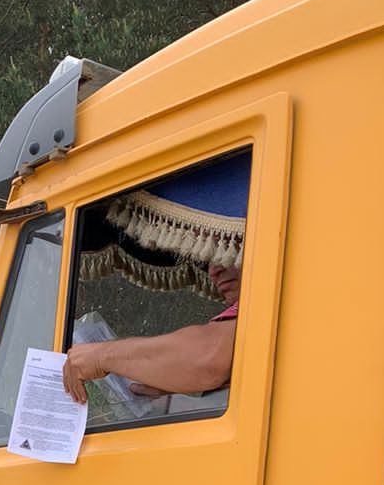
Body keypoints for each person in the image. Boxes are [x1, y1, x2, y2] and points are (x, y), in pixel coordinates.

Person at [61, 147, 249, 405]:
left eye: (222, 250)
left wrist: (102, 356)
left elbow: (208, 357)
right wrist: (171, 379)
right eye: (204, 262)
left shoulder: (268, 301)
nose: (213, 270)